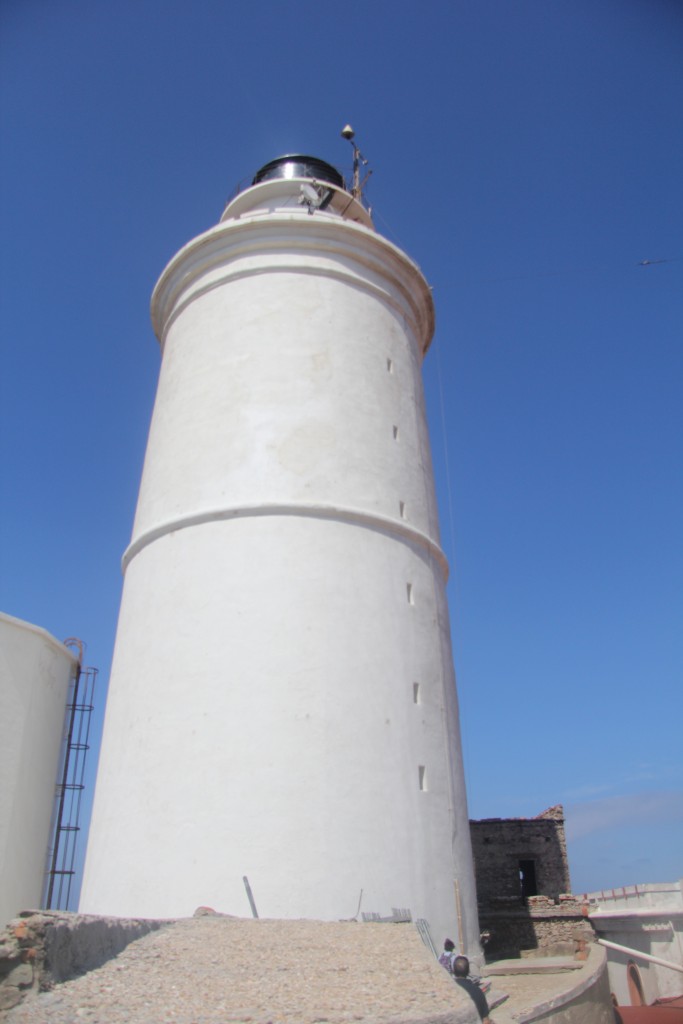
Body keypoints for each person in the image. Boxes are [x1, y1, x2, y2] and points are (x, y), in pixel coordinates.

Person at [452, 955, 491, 1023]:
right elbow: (486, 1021)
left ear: (453, 971)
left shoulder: (449, 990)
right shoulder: (478, 992)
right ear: (468, 971)